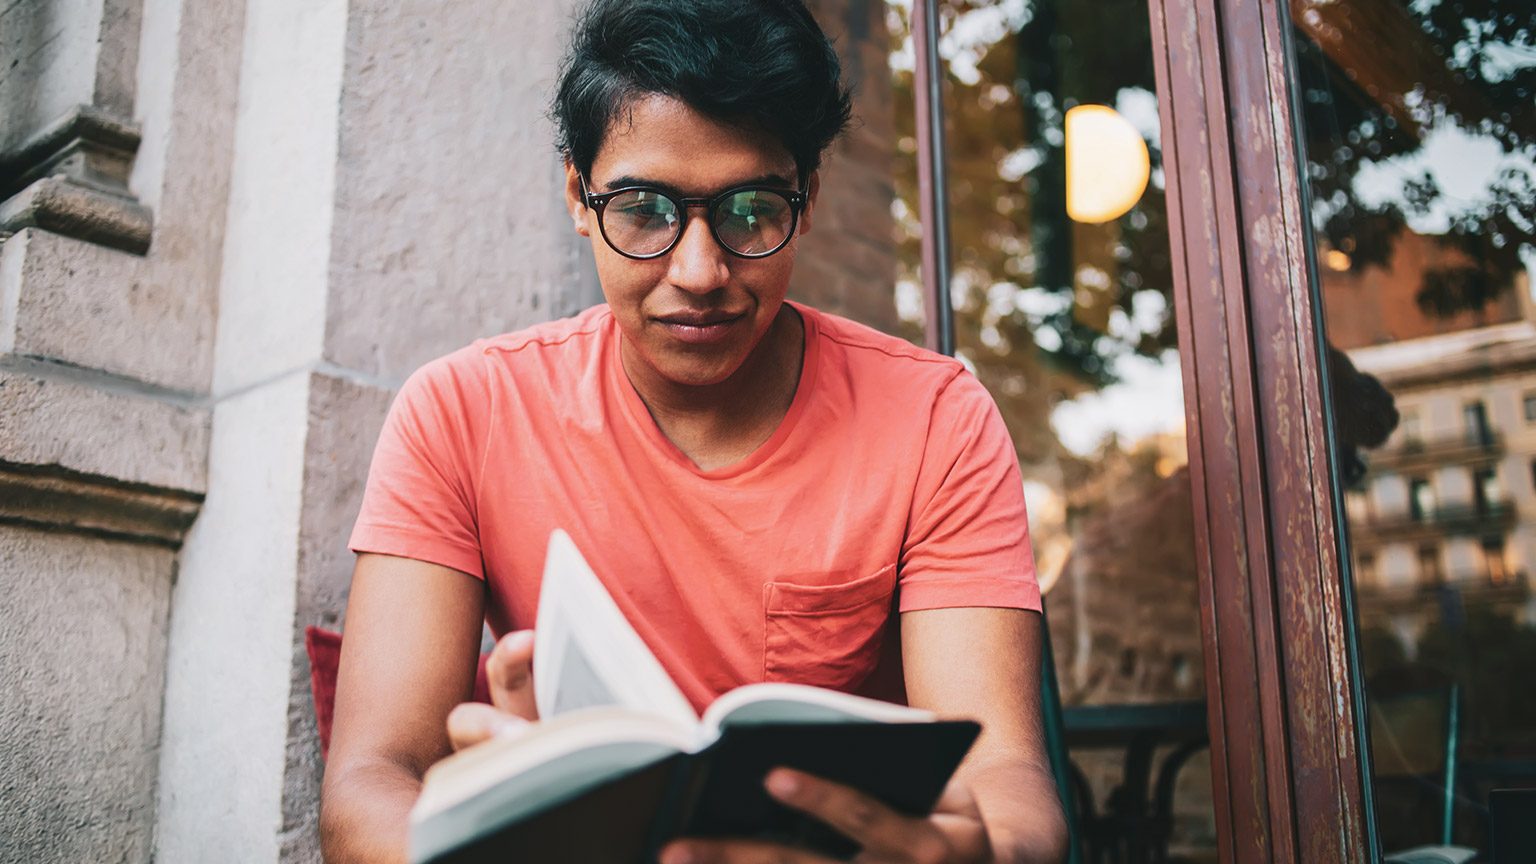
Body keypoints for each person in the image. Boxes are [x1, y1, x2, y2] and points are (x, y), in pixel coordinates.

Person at [319, 1, 1069, 861]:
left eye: (751, 211)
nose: (700, 272)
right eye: (643, 209)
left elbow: (1008, 781)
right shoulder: (460, 412)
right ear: (578, 195)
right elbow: (369, 786)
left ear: (808, 199)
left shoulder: (938, 420)